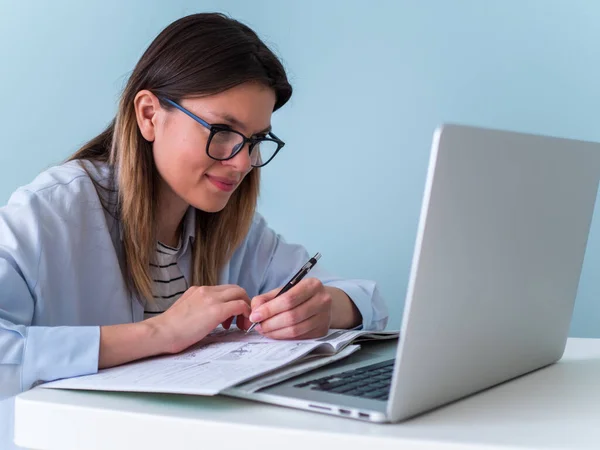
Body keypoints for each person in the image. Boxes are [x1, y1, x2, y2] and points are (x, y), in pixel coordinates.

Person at [0, 12, 388, 449]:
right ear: (149, 115)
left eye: (256, 140)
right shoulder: (53, 210)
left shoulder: (232, 228)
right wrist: (158, 334)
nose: (242, 162)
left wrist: (326, 308)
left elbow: (366, 297)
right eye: (223, 132)